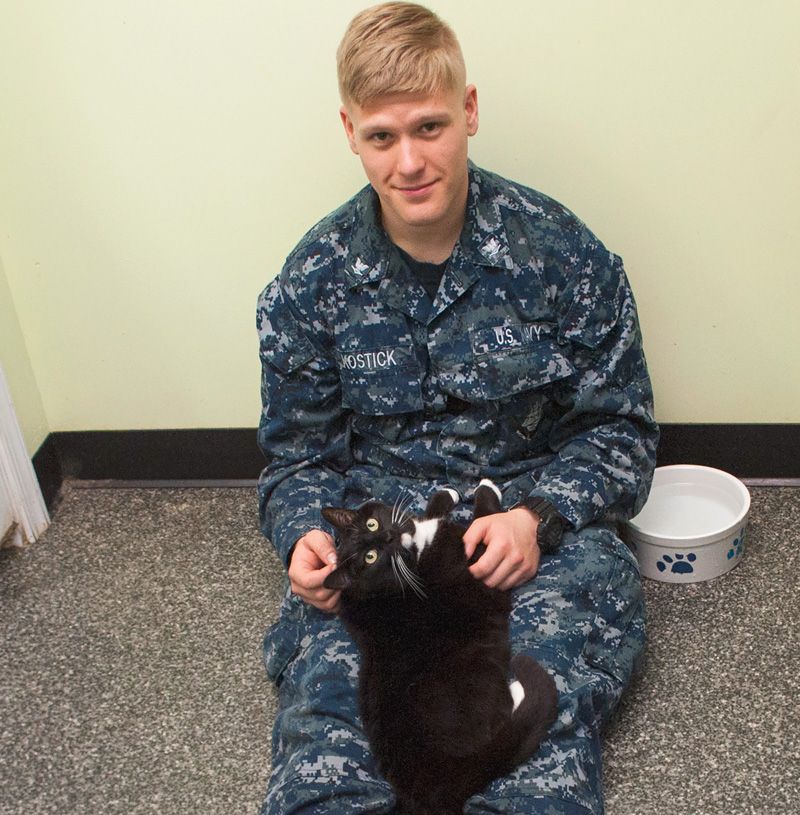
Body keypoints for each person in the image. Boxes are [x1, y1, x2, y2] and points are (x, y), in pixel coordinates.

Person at [256, 3, 658, 813]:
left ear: (468, 111)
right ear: (350, 132)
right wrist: (305, 533)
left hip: (521, 537)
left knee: (533, 707)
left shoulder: (560, 253)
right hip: (386, 553)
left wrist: (537, 517)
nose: (409, 161)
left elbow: (622, 430)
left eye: (431, 127)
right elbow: (297, 459)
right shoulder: (311, 282)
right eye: (382, 136)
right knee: (335, 721)